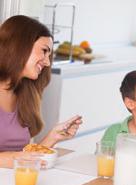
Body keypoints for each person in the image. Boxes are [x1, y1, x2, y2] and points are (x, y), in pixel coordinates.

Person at [0, 15, 82, 168]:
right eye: (44, 51)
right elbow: (20, 158)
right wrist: (16, 158)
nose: (47, 62)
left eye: (49, 55)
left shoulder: (25, 94)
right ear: (19, 46)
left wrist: (53, 137)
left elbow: (26, 156)